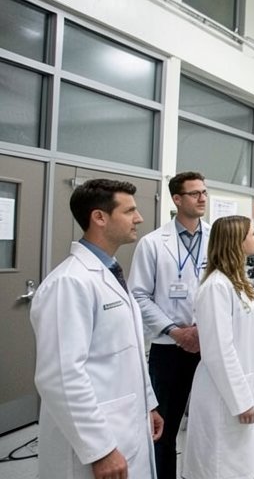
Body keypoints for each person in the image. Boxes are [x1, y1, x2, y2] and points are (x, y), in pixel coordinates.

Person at [32, 179, 164, 479]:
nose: (139, 218)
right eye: (130, 211)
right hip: (93, 442)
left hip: (126, 422)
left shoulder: (111, 273)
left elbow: (128, 351)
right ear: (99, 217)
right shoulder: (70, 283)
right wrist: (100, 449)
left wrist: (149, 403)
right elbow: (61, 375)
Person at [183, 215, 254, 479]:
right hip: (223, 394)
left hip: (245, 382)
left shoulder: (241, 283)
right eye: (252, 234)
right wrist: (240, 401)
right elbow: (218, 352)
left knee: (240, 464)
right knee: (221, 466)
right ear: (236, 242)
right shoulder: (216, 287)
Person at [129, 171, 210, 479]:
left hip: (208, 342)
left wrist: (204, 330)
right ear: (177, 199)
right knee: (164, 425)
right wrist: (175, 331)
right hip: (169, 346)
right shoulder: (153, 243)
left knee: (210, 421)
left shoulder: (216, 237)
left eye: (204, 192)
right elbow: (138, 295)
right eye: (194, 193)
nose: (202, 198)